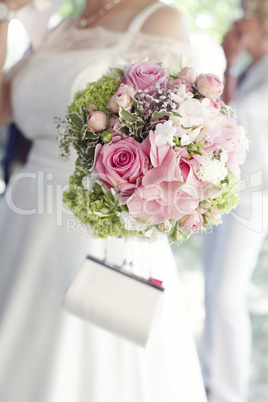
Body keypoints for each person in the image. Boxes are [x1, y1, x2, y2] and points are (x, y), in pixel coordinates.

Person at [0, 1, 207, 401]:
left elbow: (184, 138)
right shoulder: (63, 27)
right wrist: (5, 16)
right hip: (21, 218)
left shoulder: (159, 19)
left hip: (100, 227)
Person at [200, 1, 268, 401]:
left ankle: (229, 392)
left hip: (254, 196)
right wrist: (234, 66)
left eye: (246, 11)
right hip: (230, 191)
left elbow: (231, 118)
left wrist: (228, 63)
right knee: (212, 286)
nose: (237, 19)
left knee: (227, 292)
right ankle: (211, 373)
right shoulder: (255, 68)